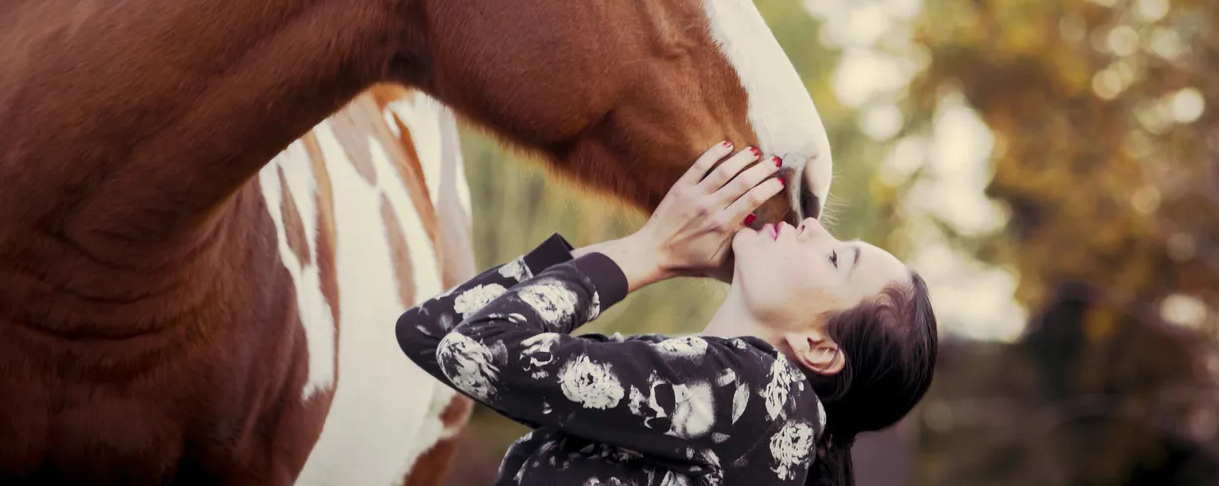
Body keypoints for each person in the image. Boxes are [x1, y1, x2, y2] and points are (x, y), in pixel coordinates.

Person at [396, 141, 938, 485]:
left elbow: (474, 350)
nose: (813, 227)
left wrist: (651, 252)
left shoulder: (754, 394)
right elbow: (430, 333)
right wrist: (651, 256)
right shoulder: (728, 407)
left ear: (818, 347)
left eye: (837, 257)